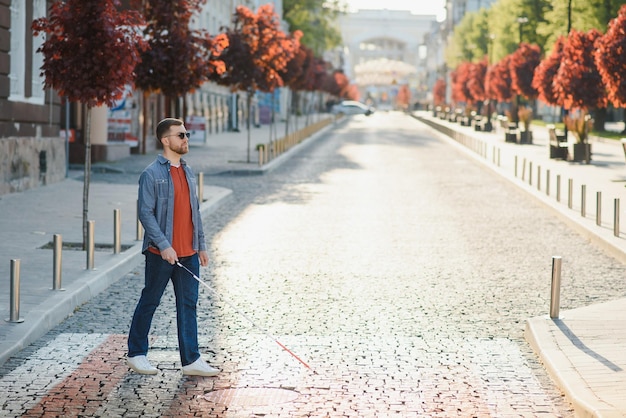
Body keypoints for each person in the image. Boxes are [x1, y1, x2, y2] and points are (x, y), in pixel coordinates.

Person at [127, 117, 219, 376]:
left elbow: (195, 212)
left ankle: (191, 360)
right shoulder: (151, 174)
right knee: (150, 301)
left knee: (188, 305)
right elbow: (146, 214)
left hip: (188, 253)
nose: (185, 138)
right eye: (180, 135)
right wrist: (165, 245)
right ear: (165, 140)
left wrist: (200, 245)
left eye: (186, 134)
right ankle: (136, 354)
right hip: (162, 254)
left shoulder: (187, 171)